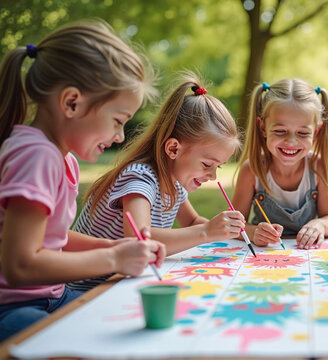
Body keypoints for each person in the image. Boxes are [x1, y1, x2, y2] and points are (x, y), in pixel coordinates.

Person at [0, 21, 166, 342]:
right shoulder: (36, 155)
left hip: (49, 297)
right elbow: (20, 264)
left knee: (119, 322)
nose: (119, 137)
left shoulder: (63, 157)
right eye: (118, 121)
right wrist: (114, 259)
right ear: (72, 102)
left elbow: (53, 236)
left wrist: (112, 245)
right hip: (14, 307)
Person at [68, 72, 246, 292]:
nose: (213, 176)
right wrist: (207, 232)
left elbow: (191, 222)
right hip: (89, 291)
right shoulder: (140, 177)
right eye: (207, 164)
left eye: (218, 166)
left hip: (124, 282)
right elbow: (139, 238)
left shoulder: (174, 183)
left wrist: (236, 230)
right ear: (173, 149)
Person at [232, 79, 328, 250]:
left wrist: (320, 225)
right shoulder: (252, 170)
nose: (291, 142)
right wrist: (254, 232)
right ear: (262, 128)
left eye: (302, 132)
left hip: (307, 255)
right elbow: (234, 226)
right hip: (264, 256)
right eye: (280, 131)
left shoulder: (320, 168)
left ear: (315, 132)